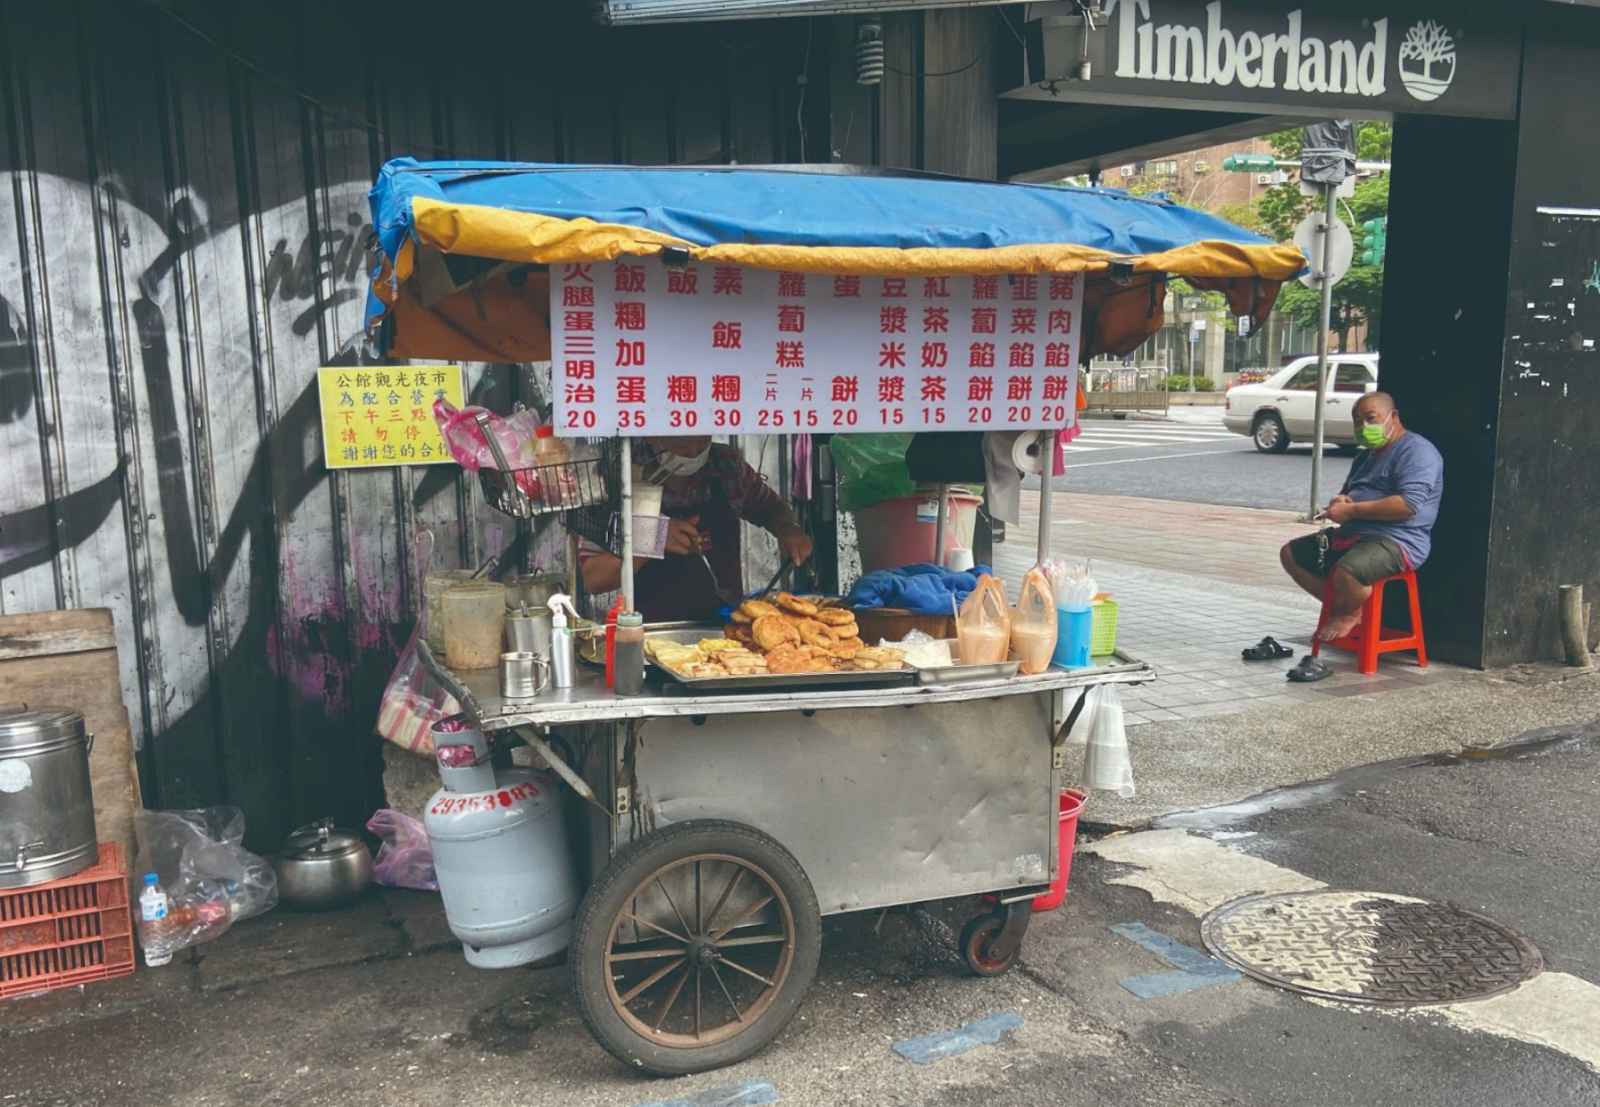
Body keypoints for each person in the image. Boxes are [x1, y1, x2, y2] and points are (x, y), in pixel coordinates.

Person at [576, 436, 813, 623]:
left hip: (724, 625)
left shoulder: (726, 466)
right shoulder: (615, 473)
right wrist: (653, 538)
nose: (693, 452)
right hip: (646, 635)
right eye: (681, 442)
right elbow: (593, 578)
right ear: (650, 434)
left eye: (702, 441)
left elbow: (771, 509)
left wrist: (788, 529)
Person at [1279, 391, 1443, 652]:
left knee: (1348, 571)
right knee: (1291, 554)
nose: (1364, 427)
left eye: (1371, 418)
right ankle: (1345, 605)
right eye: (1358, 422)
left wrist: (1353, 511)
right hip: (1355, 533)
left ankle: (1349, 613)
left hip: (1398, 540)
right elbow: (1351, 495)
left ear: (1394, 417)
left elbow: (1408, 506)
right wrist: (1340, 504)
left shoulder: (1417, 452)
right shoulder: (1365, 456)